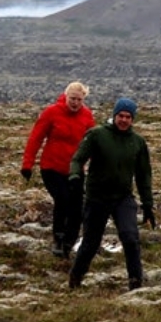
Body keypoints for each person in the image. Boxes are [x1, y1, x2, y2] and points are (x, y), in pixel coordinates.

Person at [68, 97, 155, 290]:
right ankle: (75, 278)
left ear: (132, 119)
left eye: (128, 117)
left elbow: (144, 175)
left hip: (123, 197)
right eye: (121, 116)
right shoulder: (97, 135)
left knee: (130, 237)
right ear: (114, 115)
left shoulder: (138, 142)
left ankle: (135, 281)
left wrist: (148, 204)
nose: (124, 120)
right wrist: (74, 176)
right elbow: (77, 159)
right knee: (91, 243)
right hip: (97, 197)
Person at [21, 81, 97, 257]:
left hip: (75, 170)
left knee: (77, 206)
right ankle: (58, 238)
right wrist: (27, 164)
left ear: (83, 99)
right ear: (65, 97)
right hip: (51, 167)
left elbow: (93, 142)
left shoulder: (86, 116)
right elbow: (36, 138)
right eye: (72, 98)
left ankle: (69, 243)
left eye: (79, 99)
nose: (75, 103)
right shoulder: (51, 112)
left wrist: (97, 165)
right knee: (62, 199)